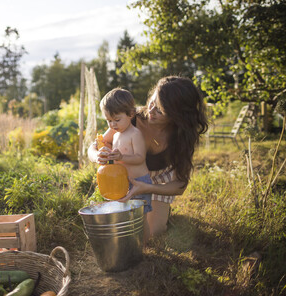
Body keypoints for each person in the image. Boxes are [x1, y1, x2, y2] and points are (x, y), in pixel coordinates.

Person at [88, 76, 208, 240]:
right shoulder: (132, 118)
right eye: (152, 102)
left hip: (159, 181)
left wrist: (147, 188)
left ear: (177, 114)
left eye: (160, 110)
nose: (151, 111)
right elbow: (95, 145)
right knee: (127, 228)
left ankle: (162, 208)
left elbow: (180, 185)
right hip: (129, 175)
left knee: (153, 234)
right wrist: (97, 156)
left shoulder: (181, 136)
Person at [96, 87, 153, 240]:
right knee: (125, 215)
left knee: (141, 216)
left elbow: (140, 158)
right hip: (123, 182)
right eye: (109, 121)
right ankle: (131, 243)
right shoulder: (116, 136)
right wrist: (108, 154)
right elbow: (117, 160)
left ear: (131, 114)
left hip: (139, 182)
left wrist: (121, 156)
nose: (113, 125)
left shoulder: (135, 134)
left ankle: (147, 245)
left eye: (117, 120)